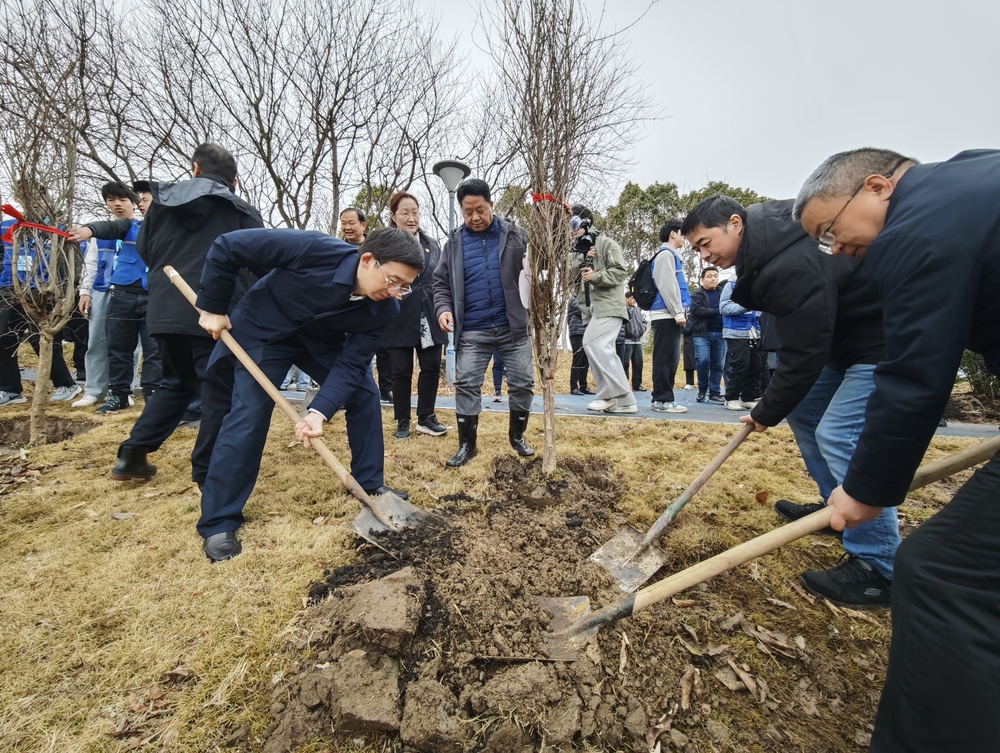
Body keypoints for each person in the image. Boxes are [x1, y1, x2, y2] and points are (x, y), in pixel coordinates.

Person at [794, 147, 1000, 751]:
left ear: (878, 186)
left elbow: (913, 378)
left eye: (830, 231)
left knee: (940, 575)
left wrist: (864, 492)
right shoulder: (968, 174)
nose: (836, 250)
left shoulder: (914, 234)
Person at [683, 194, 898, 608]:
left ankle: (879, 567)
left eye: (707, 243)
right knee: (805, 412)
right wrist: (778, 407)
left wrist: (765, 411)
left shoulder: (789, 259)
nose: (706, 255)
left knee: (839, 434)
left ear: (735, 223)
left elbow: (804, 351)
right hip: (842, 341)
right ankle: (836, 507)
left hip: (881, 340)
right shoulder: (767, 243)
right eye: (697, 250)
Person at [195, 227, 421, 561]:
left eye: (405, 286)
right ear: (368, 260)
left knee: (364, 393)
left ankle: (369, 482)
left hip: (318, 343)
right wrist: (213, 307)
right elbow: (228, 245)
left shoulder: (386, 310)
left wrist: (319, 412)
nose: (396, 292)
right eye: (392, 280)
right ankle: (219, 521)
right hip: (264, 332)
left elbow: (352, 364)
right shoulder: (313, 249)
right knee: (250, 413)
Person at [69, 143, 263, 484]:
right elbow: (254, 262)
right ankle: (208, 472)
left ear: (196, 169)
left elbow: (146, 250)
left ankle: (132, 454)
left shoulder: (162, 205)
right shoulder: (240, 210)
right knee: (218, 392)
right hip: (214, 312)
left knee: (176, 384)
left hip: (165, 306)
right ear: (235, 180)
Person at [432, 178, 535, 467]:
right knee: (466, 383)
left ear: (491, 204)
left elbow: (538, 269)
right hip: (473, 329)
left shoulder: (516, 234)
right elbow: (440, 283)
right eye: (468, 212)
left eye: (480, 209)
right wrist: (442, 308)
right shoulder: (453, 243)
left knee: (523, 382)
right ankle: (467, 445)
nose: (475, 217)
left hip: (513, 327)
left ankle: (517, 436)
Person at [70, 182, 161, 411]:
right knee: (118, 348)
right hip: (122, 293)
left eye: (145, 200)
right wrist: (88, 230)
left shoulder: (174, 229)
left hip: (155, 295)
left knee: (154, 349)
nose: (140, 204)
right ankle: (118, 395)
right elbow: (108, 229)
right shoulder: (130, 224)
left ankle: (152, 395)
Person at [0, 185, 81, 405]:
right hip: (10, 287)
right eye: (28, 196)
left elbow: (68, 264)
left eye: (39, 196)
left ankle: (66, 384)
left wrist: (65, 294)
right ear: (19, 198)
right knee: (3, 337)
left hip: (42, 289)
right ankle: (10, 390)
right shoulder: (7, 226)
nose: (34, 200)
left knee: (41, 338)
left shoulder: (55, 228)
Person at [380, 191, 447, 440]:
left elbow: (439, 280)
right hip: (398, 314)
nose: (411, 218)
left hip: (429, 315)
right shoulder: (386, 245)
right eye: (405, 213)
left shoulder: (432, 244)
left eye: (415, 213)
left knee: (430, 367)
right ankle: (403, 420)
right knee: (400, 370)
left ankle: (426, 417)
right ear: (393, 216)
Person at [569, 205, 635, 414]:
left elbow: (620, 271)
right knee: (605, 351)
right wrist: (582, 258)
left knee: (592, 344)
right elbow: (571, 278)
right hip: (592, 310)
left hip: (610, 305)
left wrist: (596, 275)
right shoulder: (578, 249)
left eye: (573, 224)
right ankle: (627, 403)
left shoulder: (607, 244)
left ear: (586, 223)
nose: (570, 229)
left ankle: (608, 394)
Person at [341, 207, 392, 405]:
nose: (347, 227)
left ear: (363, 225)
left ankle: (367, 392)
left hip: (369, 315)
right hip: (342, 314)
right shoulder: (337, 249)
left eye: (351, 223)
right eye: (344, 223)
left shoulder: (376, 250)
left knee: (365, 358)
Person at [648, 220, 689, 412]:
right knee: (666, 358)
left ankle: (662, 398)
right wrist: (678, 312)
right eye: (682, 233)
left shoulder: (671, 255)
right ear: (673, 234)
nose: (684, 237)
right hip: (666, 314)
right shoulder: (666, 255)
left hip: (668, 314)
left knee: (669, 358)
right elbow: (667, 286)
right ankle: (663, 400)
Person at [719, 277, 761, 410]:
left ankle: (748, 397)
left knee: (756, 366)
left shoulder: (758, 283)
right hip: (735, 331)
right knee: (740, 365)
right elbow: (724, 307)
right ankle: (731, 398)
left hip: (754, 331)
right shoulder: (731, 284)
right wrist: (747, 305)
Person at [688, 267, 726, 404]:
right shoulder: (696, 294)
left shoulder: (723, 293)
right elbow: (698, 311)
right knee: (703, 361)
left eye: (715, 275)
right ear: (702, 279)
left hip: (721, 333)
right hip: (702, 333)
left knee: (718, 364)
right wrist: (718, 311)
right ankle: (702, 389)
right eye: (709, 276)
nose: (713, 278)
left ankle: (715, 392)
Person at [620, 293, 647, 391]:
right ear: (626, 298)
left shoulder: (637, 310)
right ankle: (624, 385)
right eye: (632, 298)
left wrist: (642, 329)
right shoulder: (623, 308)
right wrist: (626, 332)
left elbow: (644, 322)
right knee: (625, 363)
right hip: (627, 341)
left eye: (635, 298)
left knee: (638, 363)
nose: (634, 300)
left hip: (638, 341)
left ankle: (637, 384)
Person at [567, 298, 591, 395]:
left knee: (585, 361)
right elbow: (583, 311)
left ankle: (583, 386)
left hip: (586, 333)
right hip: (577, 333)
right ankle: (573, 387)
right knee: (578, 360)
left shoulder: (587, 300)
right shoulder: (573, 300)